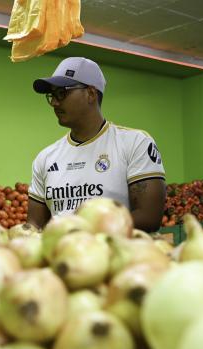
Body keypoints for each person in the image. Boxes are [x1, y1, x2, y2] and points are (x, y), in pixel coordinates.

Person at [27, 57, 166, 232]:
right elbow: (34, 225)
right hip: (63, 257)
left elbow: (149, 217)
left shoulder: (135, 143)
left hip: (116, 255)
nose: (54, 102)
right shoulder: (45, 158)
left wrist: (82, 232)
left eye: (61, 93)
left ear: (91, 94)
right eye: (52, 95)